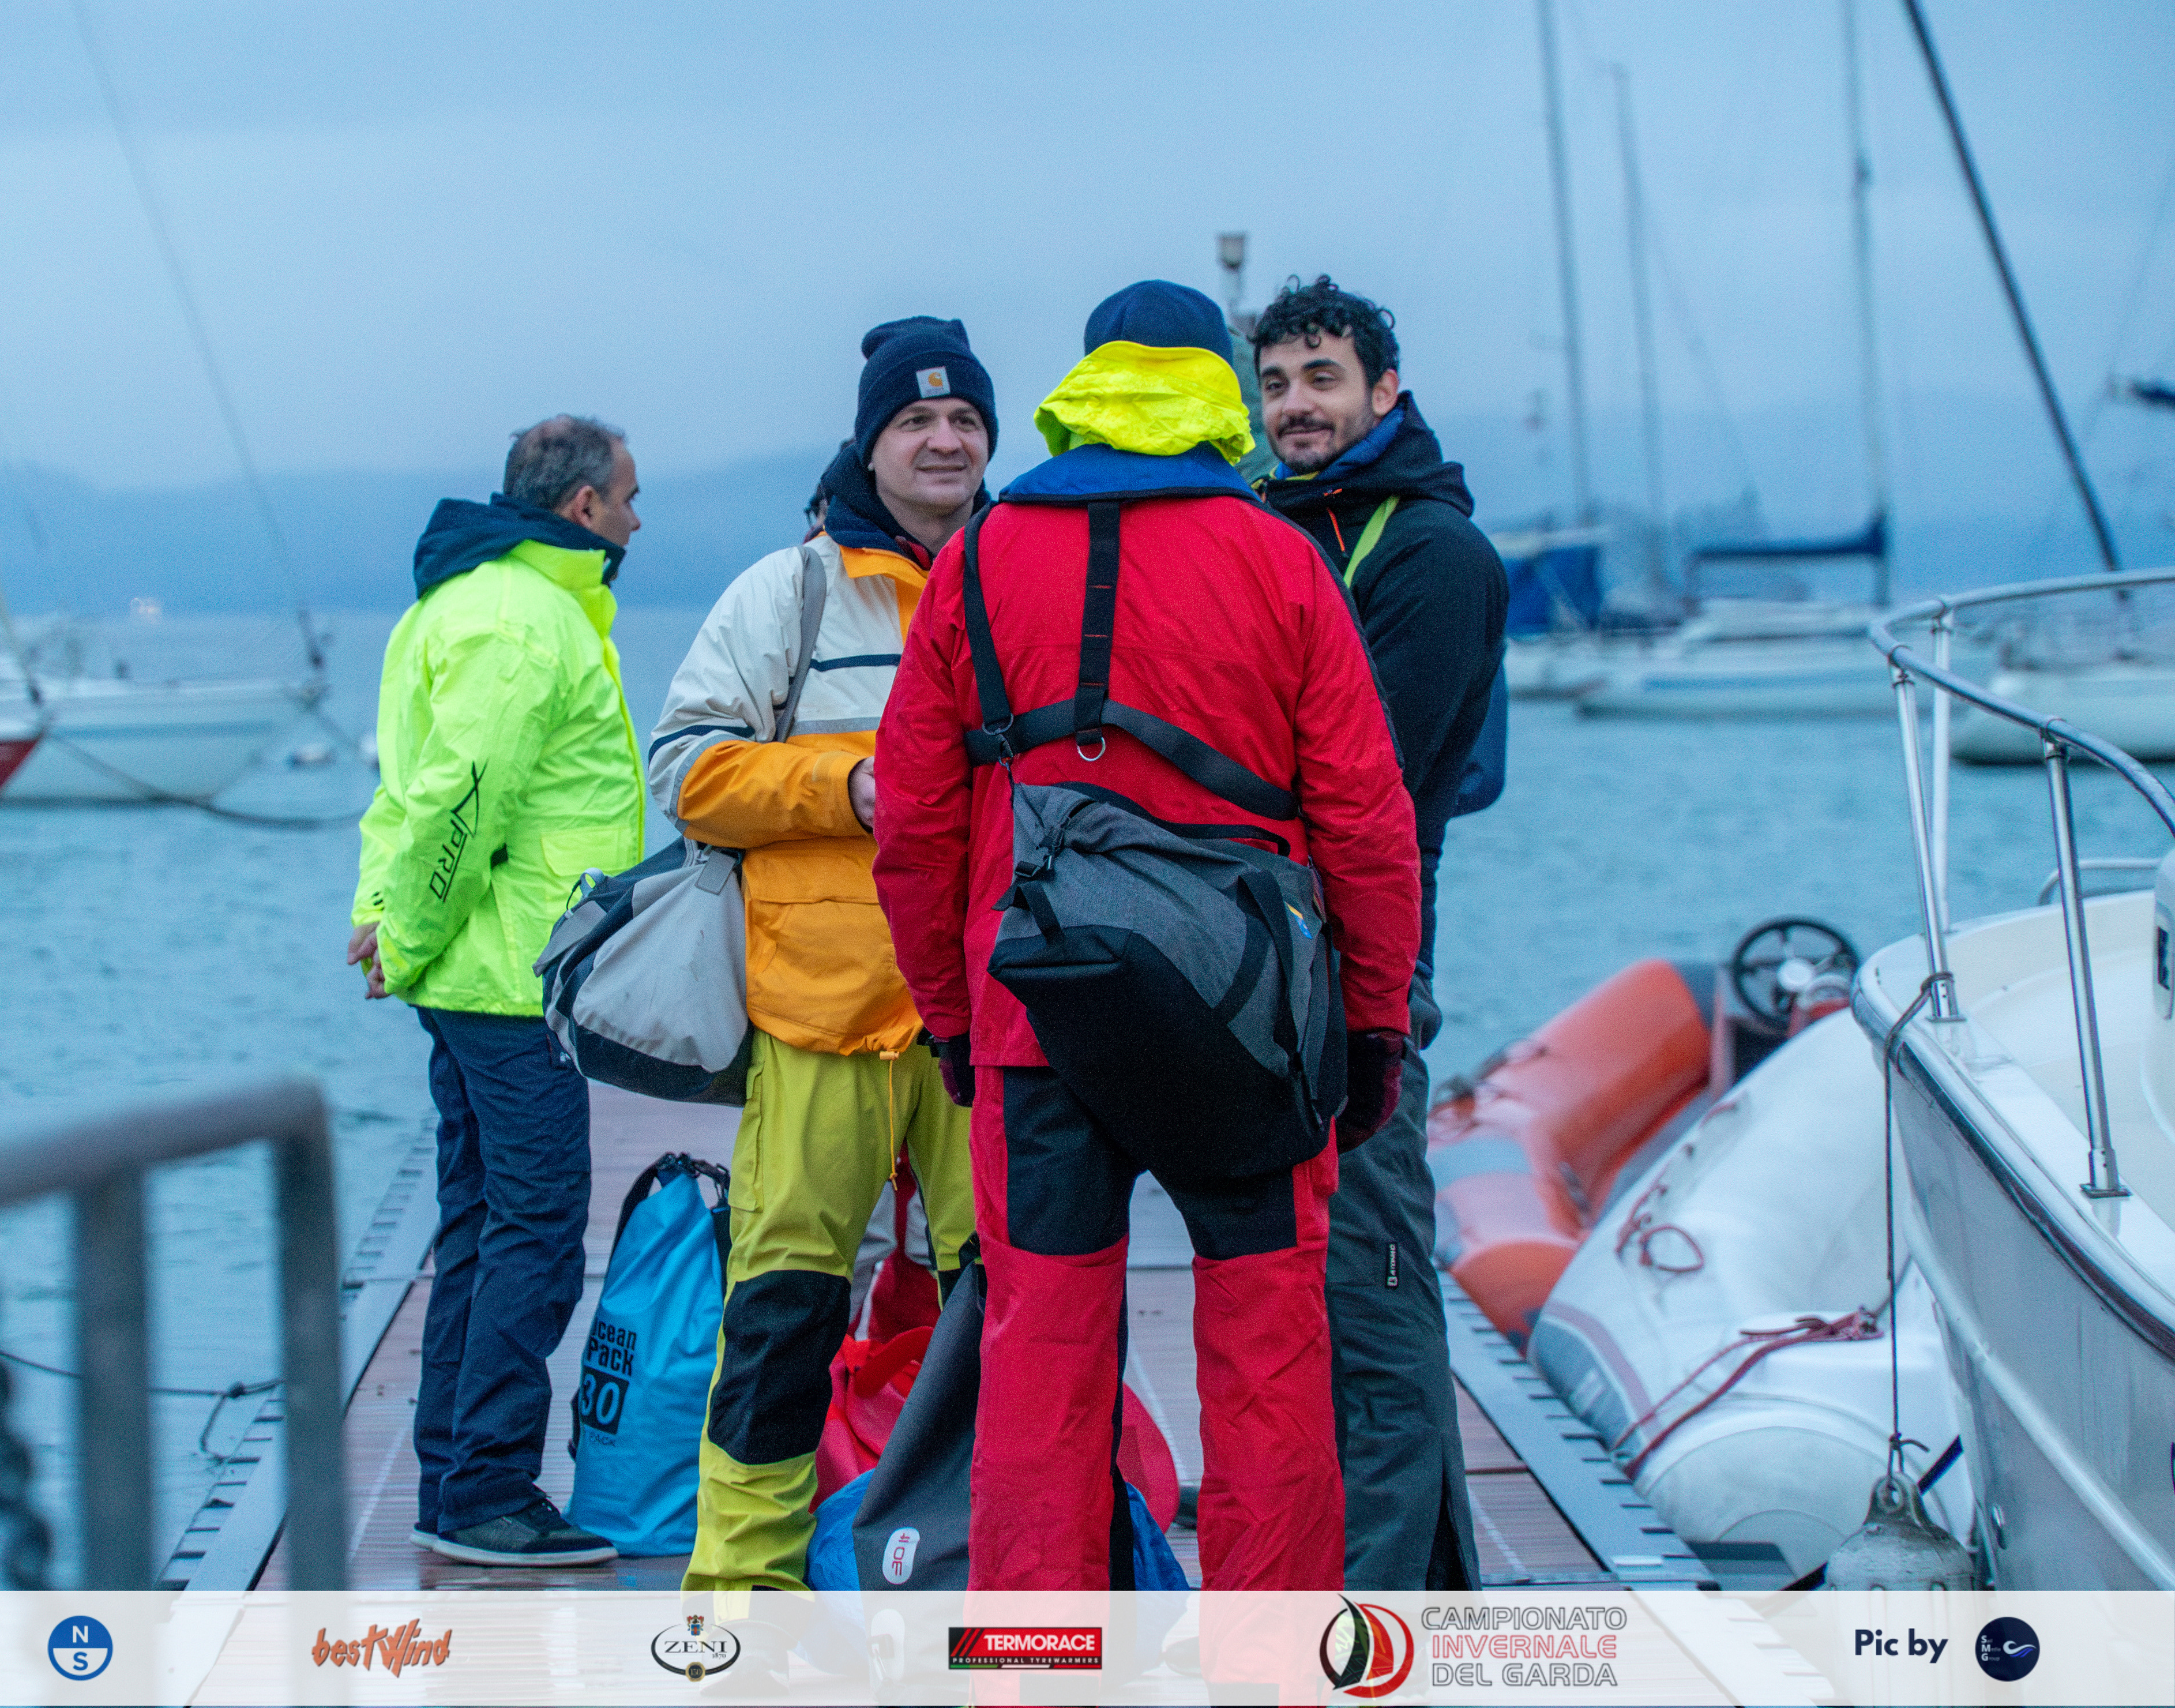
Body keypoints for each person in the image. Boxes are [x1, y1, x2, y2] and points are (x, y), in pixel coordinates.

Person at [872, 280, 1423, 1591]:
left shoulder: (978, 557)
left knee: (1040, 1362)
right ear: (1212, 397)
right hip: (1251, 1023)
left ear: (1088, 389)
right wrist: (1374, 1027)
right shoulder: (1281, 557)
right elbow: (1366, 817)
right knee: (1269, 1366)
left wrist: (952, 1016)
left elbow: (914, 819)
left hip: (1037, 1015)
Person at [649, 317, 990, 1593]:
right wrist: (848, 787)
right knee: (783, 1315)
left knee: (1002, 1311)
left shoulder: (1022, 576)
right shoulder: (785, 592)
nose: (944, 439)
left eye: (964, 421)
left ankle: (984, 1559)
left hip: (986, 1021)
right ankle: (744, 1592)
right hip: (819, 1012)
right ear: (872, 441)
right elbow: (685, 773)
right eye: (916, 421)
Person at [347, 414, 646, 1566]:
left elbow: (400, 794)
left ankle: (456, 1475)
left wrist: (387, 926)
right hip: (512, 979)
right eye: (627, 497)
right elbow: (459, 799)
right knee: (536, 1222)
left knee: (483, 1218)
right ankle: (485, 1490)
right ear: (581, 509)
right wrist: (407, 929)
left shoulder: (461, 603)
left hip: (475, 971)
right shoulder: (525, 621)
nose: (635, 518)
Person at [1254, 275, 1507, 1590]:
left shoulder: (1432, 554)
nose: (1298, 407)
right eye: (1280, 383)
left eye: (1324, 380)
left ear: (1384, 391)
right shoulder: (1271, 526)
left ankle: (1381, 1602)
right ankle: (1437, 1580)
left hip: (1365, 965)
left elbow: (1373, 784)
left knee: (1376, 1280)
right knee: (1332, 1284)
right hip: (1262, 958)